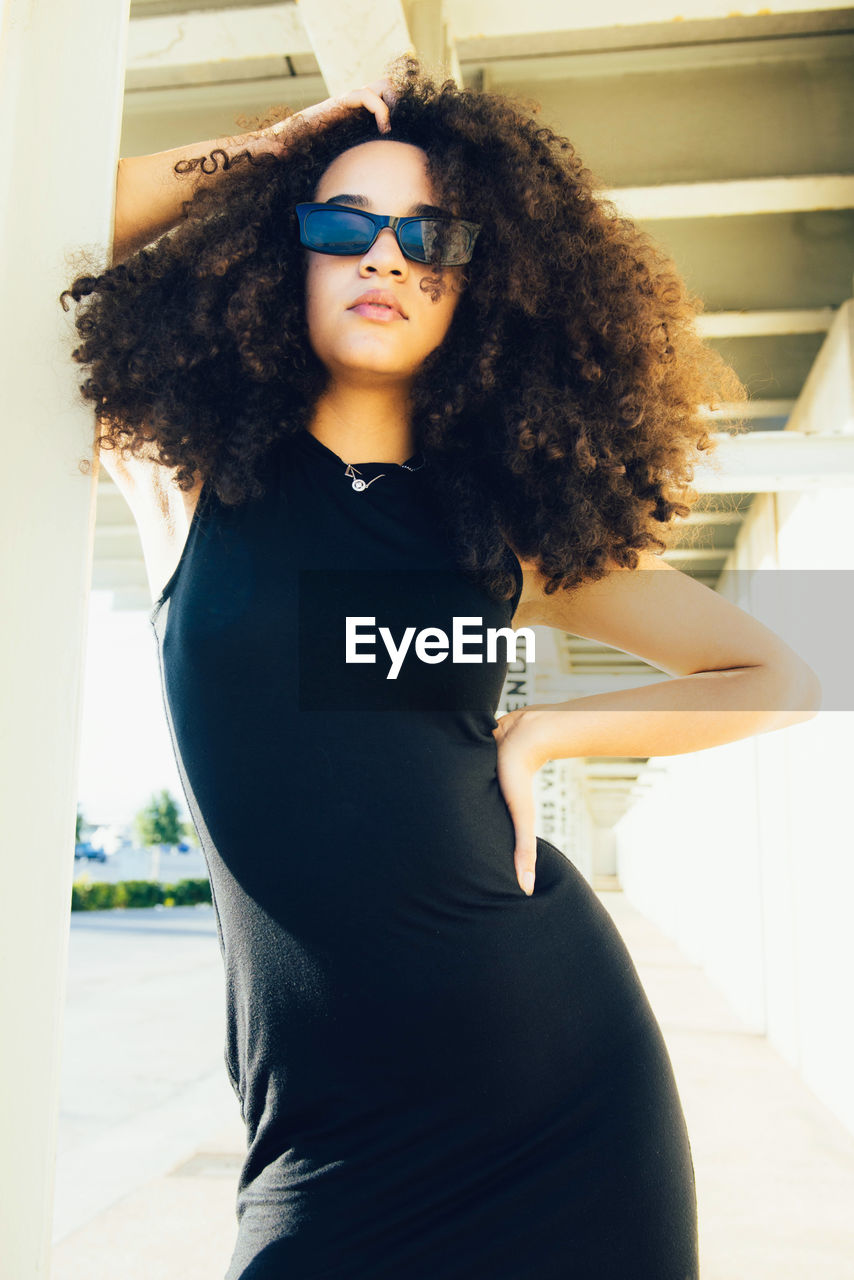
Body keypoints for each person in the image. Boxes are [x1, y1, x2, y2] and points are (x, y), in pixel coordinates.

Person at [60, 54, 820, 1280]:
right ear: (277, 252)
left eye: (430, 235)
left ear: (481, 284)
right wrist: (262, 157)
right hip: (325, 1134)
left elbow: (783, 669)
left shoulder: (503, 535)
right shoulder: (181, 474)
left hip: (562, 1094)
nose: (386, 256)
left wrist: (544, 733)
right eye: (340, 223)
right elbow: (25, 213)